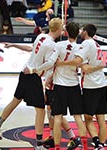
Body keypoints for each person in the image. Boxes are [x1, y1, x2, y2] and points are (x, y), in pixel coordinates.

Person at [0, 18, 63, 150]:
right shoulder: (52, 45)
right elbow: (49, 63)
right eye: (62, 28)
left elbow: (31, 49)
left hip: (24, 74)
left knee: (15, 101)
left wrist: (14, 45)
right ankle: (39, 144)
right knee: (40, 110)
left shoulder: (41, 36)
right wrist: (36, 70)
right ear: (58, 29)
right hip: (32, 76)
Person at [24, 21, 90, 150]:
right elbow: (82, 66)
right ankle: (85, 146)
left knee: (57, 117)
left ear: (65, 32)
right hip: (74, 85)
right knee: (77, 117)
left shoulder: (59, 45)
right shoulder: (81, 48)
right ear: (78, 34)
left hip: (59, 85)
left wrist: (36, 70)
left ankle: (58, 147)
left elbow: (51, 62)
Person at [57, 24, 107, 150]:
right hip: (102, 84)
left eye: (82, 30)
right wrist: (101, 66)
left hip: (91, 86)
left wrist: (61, 63)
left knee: (88, 119)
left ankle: (97, 143)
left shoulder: (86, 44)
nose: (80, 32)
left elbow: (81, 65)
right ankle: (101, 146)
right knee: (101, 119)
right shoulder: (96, 44)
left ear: (85, 32)